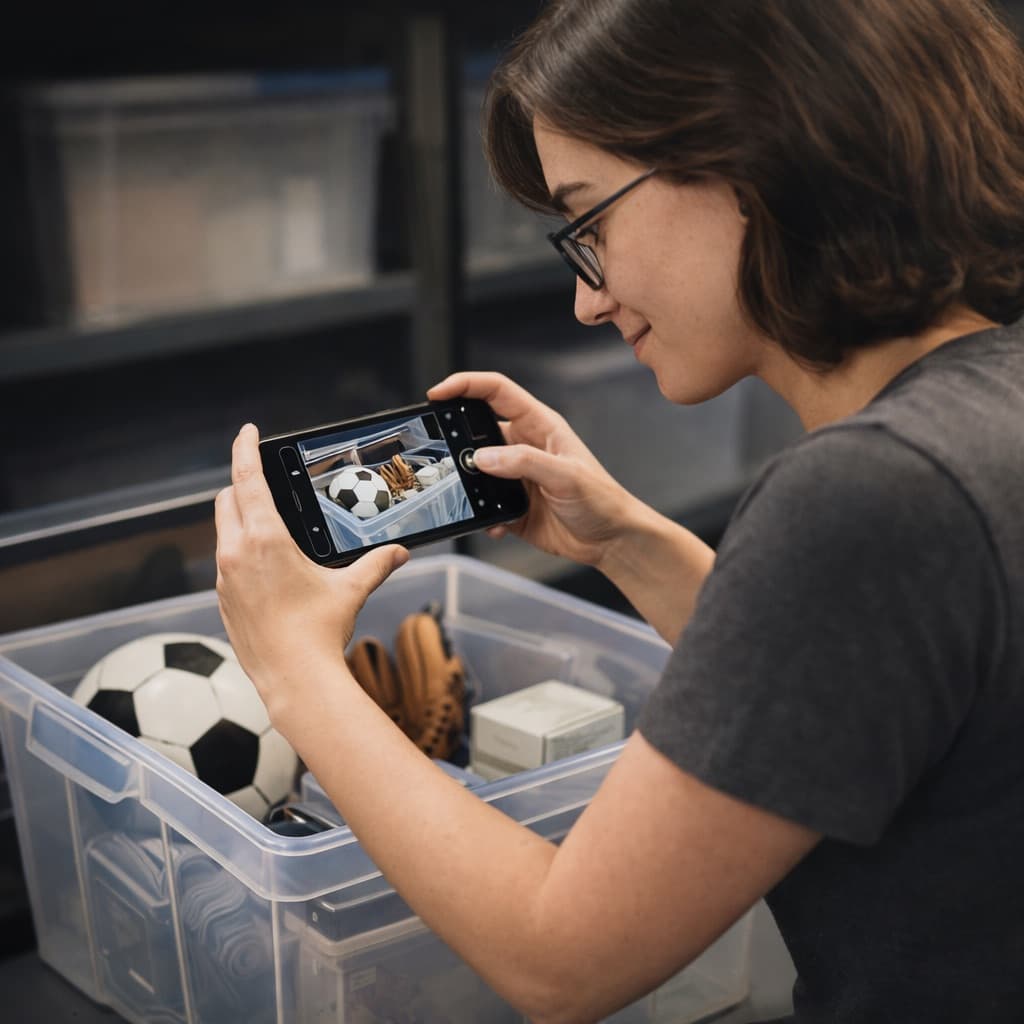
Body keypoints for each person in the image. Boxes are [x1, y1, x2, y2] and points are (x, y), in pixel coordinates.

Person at [214, 1, 1024, 1020]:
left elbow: (560, 959)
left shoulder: (871, 492)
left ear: (751, 155)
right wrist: (631, 545)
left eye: (591, 223)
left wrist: (293, 666)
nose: (587, 301)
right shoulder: (980, 415)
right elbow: (860, 675)